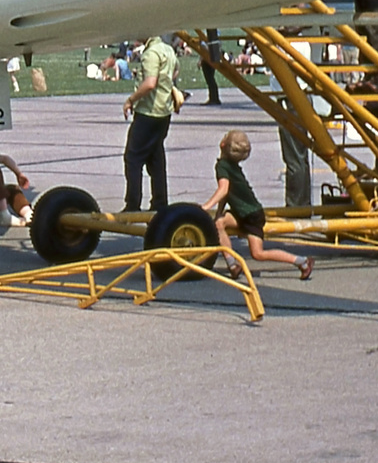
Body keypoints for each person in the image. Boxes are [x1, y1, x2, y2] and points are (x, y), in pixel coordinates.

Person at [201, 130, 314, 280]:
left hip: (251, 216)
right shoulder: (229, 165)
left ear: (222, 144)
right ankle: (232, 264)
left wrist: (206, 207)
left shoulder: (222, 166)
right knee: (219, 223)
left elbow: (224, 190)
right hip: (243, 212)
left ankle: (302, 261)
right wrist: (219, 212)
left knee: (258, 254)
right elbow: (227, 194)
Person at [121, 34, 179, 212]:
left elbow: (150, 83)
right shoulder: (168, 50)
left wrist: (131, 100)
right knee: (156, 158)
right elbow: (175, 71)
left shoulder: (151, 53)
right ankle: (160, 202)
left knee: (133, 158)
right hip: (164, 112)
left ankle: (133, 204)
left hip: (148, 112)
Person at [0, 149, 34, 227]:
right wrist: (18, 173)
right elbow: (4, 159)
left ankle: (29, 214)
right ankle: (4, 215)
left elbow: (5, 159)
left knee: (12, 189)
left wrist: (19, 174)